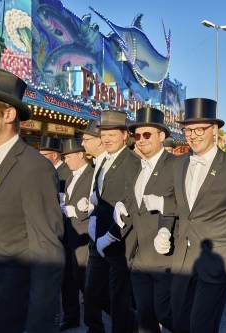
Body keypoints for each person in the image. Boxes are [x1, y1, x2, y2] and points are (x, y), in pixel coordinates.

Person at [0, 66, 65, 332]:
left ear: (8, 114)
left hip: (10, 312)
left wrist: (38, 326)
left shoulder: (35, 169)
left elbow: (47, 255)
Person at [157, 98, 226, 333]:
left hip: (216, 263)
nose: (192, 135)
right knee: (178, 323)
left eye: (199, 129)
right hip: (183, 262)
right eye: (188, 129)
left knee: (201, 327)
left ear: (214, 130)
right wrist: (164, 227)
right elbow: (173, 202)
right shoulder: (179, 164)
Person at [112, 106, 176, 333]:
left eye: (147, 134)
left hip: (165, 258)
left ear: (162, 136)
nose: (140, 140)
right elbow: (133, 200)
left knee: (167, 314)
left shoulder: (177, 165)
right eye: (137, 135)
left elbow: (190, 205)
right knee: (145, 317)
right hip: (139, 257)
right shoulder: (136, 167)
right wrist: (122, 204)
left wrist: (165, 210)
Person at [86, 111, 140, 333]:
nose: (106, 138)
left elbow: (129, 204)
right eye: (103, 134)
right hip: (96, 239)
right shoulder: (103, 160)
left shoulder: (132, 162)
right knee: (91, 291)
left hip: (118, 241)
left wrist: (110, 236)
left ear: (125, 135)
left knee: (119, 298)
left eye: (112, 134)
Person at [78, 119, 112, 332]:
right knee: (96, 292)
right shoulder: (98, 163)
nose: (82, 143)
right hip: (95, 236)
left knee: (98, 292)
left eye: (86, 139)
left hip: (106, 238)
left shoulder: (109, 163)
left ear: (100, 141)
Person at [59, 138, 94, 331]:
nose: (66, 160)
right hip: (69, 234)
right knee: (67, 280)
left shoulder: (92, 174)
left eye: (69, 156)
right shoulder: (71, 177)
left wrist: (77, 210)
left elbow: (95, 203)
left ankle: (92, 321)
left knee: (83, 280)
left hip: (83, 234)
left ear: (81, 154)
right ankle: (70, 317)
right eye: (65, 156)